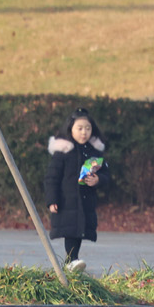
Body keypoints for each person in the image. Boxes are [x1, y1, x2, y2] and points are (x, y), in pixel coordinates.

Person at [45, 110, 107, 273]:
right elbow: (52, 178)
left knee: (79, 231)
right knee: (71, 231)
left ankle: (70, 261)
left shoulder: (94, 152)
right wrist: (52, 200)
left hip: (85, 200)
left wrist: (98, 180)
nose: (84, 132)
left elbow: (106, 174)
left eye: (87, 128)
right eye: (79, 128)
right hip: (67, 201)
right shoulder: (63, 152)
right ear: (70, 129)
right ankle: (72, 260)